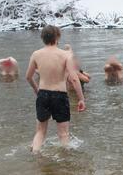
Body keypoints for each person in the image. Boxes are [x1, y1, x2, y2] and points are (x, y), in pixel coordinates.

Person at [25, 25, 85, 153]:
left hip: (43, 94)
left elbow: (28, 77)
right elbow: (74, 79)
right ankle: (65, 161)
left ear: (43, 38)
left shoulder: (36, 54)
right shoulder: (65, 55)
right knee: (63, 134)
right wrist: (81, 99)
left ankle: (35, 156)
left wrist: (37, 90)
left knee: (40, 132)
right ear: (57, 37)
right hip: (60, 95)